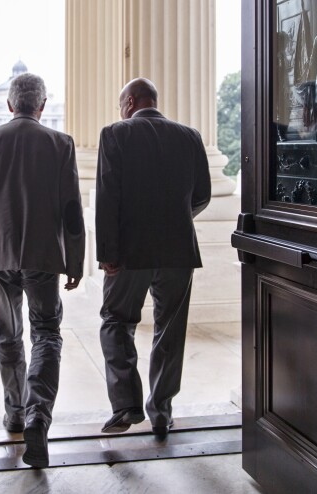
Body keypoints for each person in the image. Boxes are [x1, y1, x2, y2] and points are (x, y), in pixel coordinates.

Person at [0, 72, 85, 468]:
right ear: (41, 106)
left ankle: (15, 411)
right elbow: (72, 212)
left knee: (7, 334)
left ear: (11, 105)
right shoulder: (60, 143)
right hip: (45, 255)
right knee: (46, 334)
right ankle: (38, 415)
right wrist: (76, 260)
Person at [95, 78, 211, 439]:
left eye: (120, 106)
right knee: (170, 332)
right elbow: (203, 195)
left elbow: (106, 198)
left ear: (129, 102)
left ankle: (127, 405)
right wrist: (175, 221)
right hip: (179, 250)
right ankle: (161, 411)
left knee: (116, 321)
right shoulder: (190, 136)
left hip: (130, 252)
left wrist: (107, 253)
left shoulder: (115, 134)